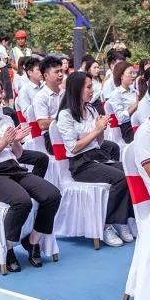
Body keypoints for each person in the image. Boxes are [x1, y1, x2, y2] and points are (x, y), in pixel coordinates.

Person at [0, 76, 60, 271]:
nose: (1, 96)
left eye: (1, 92)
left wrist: (15, 141)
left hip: (14, 168)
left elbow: (18, 154)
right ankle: (7, 249)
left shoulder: (5, 118)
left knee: (52, 195)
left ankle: (32, 241)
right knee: (21, 201)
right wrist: (3, 141)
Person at [56, 71, 133, 247]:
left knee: (129, 171)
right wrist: (96, 130)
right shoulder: (65, 115)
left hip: (96, 156)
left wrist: (102, 129)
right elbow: (73, 148)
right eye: (89, 87)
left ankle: (122, 220)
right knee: (120, 179)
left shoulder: (90, 109)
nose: (92, 90)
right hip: (80, 164)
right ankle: (106, 224)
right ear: (77, 89)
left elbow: (98, 142)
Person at [29, 56, 65, 141]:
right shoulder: (41, 97)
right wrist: (66, 119)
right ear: (45, 75)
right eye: (56, 72)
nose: (60, 74)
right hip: (51, 136)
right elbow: (42, 124)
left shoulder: (65, 93)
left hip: (67, 131)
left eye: (61, 71)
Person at [107, 60, 139, 142]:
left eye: (134, 73)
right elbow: (121, 118)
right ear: (121, 76)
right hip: (128, 128)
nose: (133, 76)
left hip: (139, 122)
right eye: (130, 73)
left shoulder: (134, 90)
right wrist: (136, 104)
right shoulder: (116, 94)